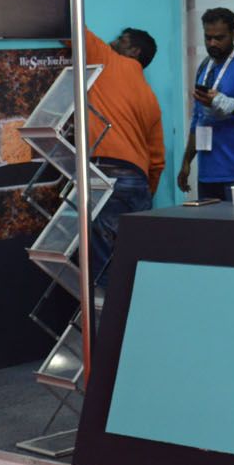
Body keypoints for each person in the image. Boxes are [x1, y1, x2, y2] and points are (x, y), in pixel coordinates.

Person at [83, 27, 164, 288]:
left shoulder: (107, 59)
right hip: (139, 181)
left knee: (104, 264)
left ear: (134, 51)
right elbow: (157, 159)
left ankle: (106, 313)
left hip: (106, 175)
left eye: (121, 39)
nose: (112, 41)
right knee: (133, 261)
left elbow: (73, 29)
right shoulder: (150, 96)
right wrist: (145, 192)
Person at [177, 7, 234, 201]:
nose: (212, 43)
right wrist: (187, 161)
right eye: (208, 37)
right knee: (209, 223)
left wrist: (231, 105)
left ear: (233, 34)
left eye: (219, 38)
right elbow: (197, 118)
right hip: (207, 173)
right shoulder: (205, 67)